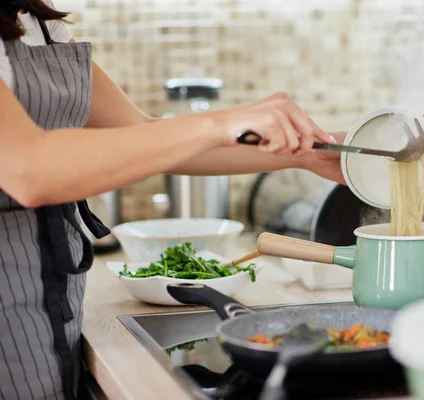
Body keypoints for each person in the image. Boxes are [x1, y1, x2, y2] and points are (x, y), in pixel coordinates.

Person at [0, 1, 345, 399]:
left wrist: (309, 154)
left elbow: (142, 134)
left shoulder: (36, 19)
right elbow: (28, 169)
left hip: (49, 301)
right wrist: (218, 123)